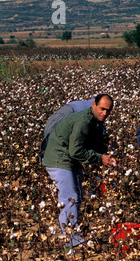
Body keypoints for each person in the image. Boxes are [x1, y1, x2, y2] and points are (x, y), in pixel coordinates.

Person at [42, 94, 117, 248]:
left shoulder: (96, 122)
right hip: (59, 158)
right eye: (102, 109)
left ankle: (68, 234)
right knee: (70, 198)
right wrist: (100, 158)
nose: (105, 113)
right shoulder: (83, 120)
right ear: (94, 105)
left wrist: (104, 151)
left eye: (108, 111)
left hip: (69, 158)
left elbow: (91, 144)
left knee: (77, 196)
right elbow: (76, 151)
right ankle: (71, 242)